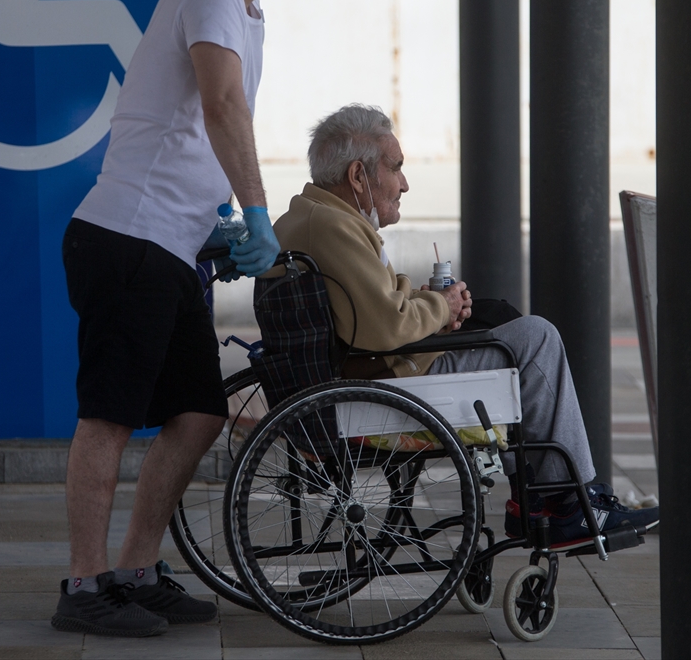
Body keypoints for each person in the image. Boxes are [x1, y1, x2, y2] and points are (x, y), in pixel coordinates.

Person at [52, 0, 301, 638]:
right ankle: (84, 586)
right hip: (129, 239)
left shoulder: (239, 4)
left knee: (197, 413)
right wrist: (256, 210)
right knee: (110, 419)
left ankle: (135, 568)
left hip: (166, 244)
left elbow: (190, 129)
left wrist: (214, 226)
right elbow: (221, 104)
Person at [271, 104, 659, 548]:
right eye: (395, 168)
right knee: (535, 339)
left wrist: (431, 304)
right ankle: (567, 503)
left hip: (362, 377)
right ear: (358, 176)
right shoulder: (334, 225)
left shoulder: (307, 216)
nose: (404, 183)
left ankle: (543, 499)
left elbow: (372, 307)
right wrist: (438, 305)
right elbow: (383, 326)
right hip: (387, 385)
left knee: (505, 323)